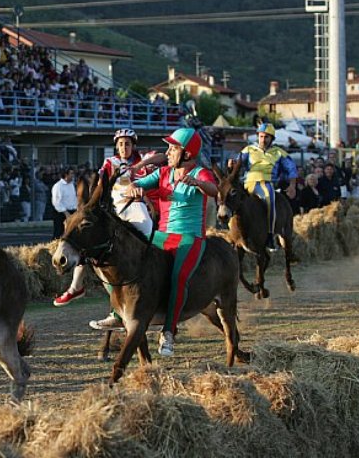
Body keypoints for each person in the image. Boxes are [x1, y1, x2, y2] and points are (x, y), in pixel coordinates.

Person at [52, 129, 167, 331]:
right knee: (85, 240)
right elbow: (101, 184)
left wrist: (139, 166)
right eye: (121, 144)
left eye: (128, 144)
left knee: (148, 236)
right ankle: (76, 287)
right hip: (115, 210)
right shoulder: (110, 162)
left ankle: (150, 280)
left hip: (136, 206)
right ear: (116, 146)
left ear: (133, 145)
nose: (124, 147)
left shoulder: (144, 158)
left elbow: (163, 156)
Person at [126, 127, 218, 357]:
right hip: (161, 235)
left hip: (190, 237)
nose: (168, 152)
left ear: (186, 153)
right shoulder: (164, 172)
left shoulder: (201, 172)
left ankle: (168, 332)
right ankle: (119, 314)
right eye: (168, 148)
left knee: (178, 278)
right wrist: (134, 190)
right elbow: (135, 184)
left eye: (173, 148)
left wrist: (196, 182)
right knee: (129, 260)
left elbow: (214, 190)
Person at [231, 123, 297, 251]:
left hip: (266, 183)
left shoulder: (279, 152)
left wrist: (292, 185)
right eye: (261, 136)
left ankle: (270, 236)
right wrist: (231, 164)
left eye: (266, 137)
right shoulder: (248, 149)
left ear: (272, 138)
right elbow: (238, 162)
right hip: (247, 183)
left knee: (269, 199)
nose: (263, 139)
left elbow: (292, 168)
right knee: (231, 200)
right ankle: (231, 234)